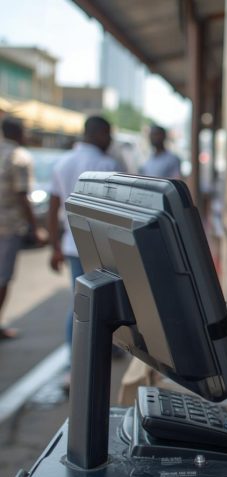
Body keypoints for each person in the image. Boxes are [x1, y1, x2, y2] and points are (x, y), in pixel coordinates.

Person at [48, 116, 123, 347]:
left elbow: (53, 209)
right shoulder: (107, 165)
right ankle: (99, 351)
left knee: (81, 302)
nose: (110, 140)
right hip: (103, 247)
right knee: (109, 302)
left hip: (72, 245)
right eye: (109, 134)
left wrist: (55, 247)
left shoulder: (62, 163)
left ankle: (76, 359)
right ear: (99, 133)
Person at [0, 117, 40, 340]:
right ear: (17, 132)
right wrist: (36, 229)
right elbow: (22, 196)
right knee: (3, 277)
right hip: (8, 227)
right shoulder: (19, 157)